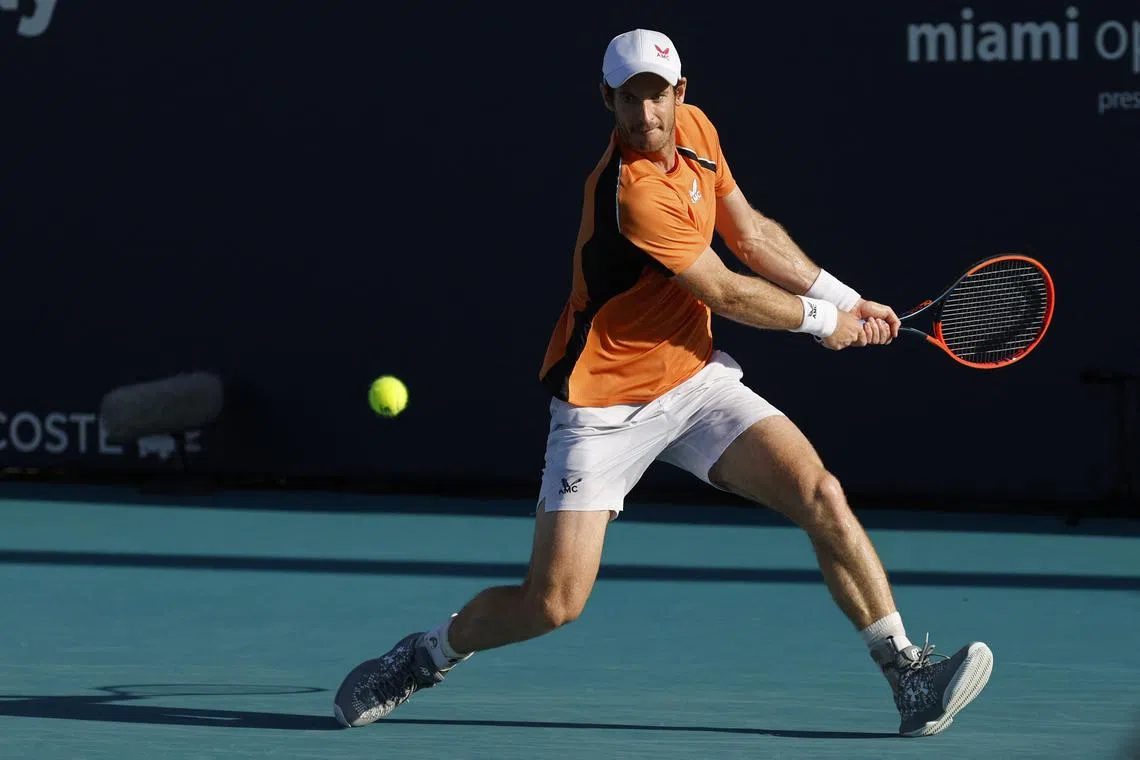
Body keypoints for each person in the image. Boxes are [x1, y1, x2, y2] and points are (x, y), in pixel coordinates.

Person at [333, 28, 993, 737]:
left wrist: (847, 297)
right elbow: (724, 291)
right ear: (607, 99)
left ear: (680, 94)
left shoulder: (698, 132)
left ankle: (907, 678)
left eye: (657, 97)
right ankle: (426, 654)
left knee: (819, 492)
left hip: (694, 382)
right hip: (602, 407)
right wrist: (820, 321)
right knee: (552, 604)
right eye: (629, 99)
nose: (645, 115)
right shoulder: (631, 193)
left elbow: (753, 235)